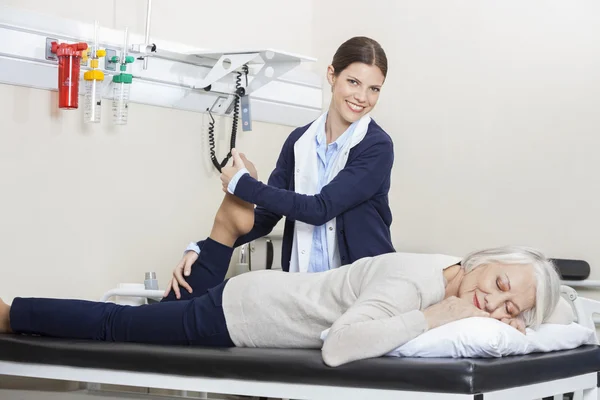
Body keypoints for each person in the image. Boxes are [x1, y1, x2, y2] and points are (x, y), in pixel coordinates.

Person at [0, 172, 562, 368]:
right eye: (499, 286)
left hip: (260, 295)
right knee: (117, 328)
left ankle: (221, 235)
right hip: (243, 313)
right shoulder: (418, 284)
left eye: (512, 307)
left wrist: (501, 321)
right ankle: (9, 314)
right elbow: (340, 347)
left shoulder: (445, 271)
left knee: (158, 316)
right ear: (479, 263)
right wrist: (439, 316)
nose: (494, 304)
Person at [166, 36, 396, 299]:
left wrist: (243, 185)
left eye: (374, 89)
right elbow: (265, 217)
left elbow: (321, 208)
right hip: (305, 292)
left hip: (363, 291)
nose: (362, 97)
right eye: (353, 82)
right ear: (332, 75)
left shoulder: (376, 146)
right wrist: (202, 248)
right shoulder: (299, 142)